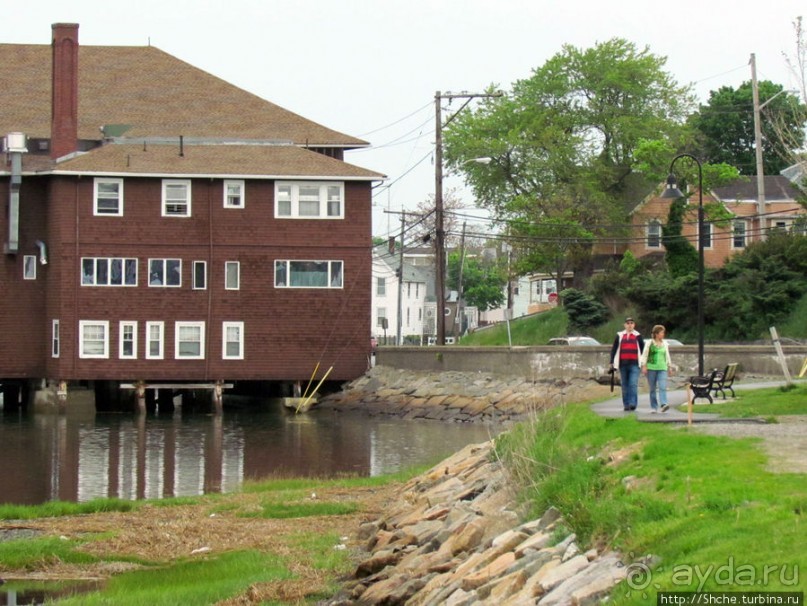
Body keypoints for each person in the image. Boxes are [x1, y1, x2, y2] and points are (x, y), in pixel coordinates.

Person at [610, 317, 645, 412]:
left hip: (635, 364)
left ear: (634, 325)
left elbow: (643, 350)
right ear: (625, 325)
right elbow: (614, 349)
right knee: (624, 385)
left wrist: (644, 363)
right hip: (623, 364)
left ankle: (633, 403)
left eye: (631, 323)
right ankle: (626, 404)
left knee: (633, 384)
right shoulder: (620, 335)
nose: (630, 325)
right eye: (628, 323)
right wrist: (611, 361)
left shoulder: (638, 336)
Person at [640, 324, 674, 413]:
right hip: (651, 368)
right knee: (652, 388)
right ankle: (654, 407)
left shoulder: (665, 344)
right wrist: (644, 365)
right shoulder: (649, 343)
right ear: (656, 334)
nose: (663, 334)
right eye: (661, 333)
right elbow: (644, 355)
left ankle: (664, 404)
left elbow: (667, 356)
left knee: (662, 386)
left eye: (663, 333)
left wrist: (669, 367)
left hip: (662, 368)